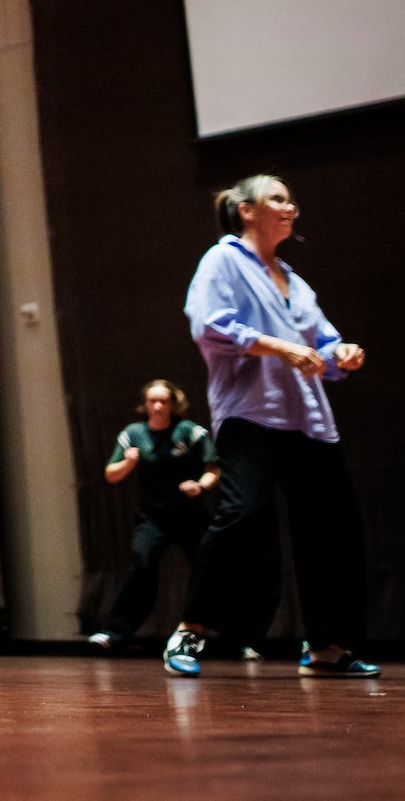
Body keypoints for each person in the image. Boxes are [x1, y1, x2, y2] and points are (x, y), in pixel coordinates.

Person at [163, 176, 376, 679]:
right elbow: (209, 324)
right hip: (250, 414)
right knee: (242, 514)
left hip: (308, 420)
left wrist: (341, 353)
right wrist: (281, 347)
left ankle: (326, 644)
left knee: (333, 529)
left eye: (291, 199)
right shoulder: (223, 261)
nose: (291, 207)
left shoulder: (296, 282)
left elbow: (323, 346)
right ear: (246, 211)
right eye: (277, 198)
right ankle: (193, 630)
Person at [86, 381, 219, 651]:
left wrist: (200, 486)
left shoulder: (190, 432)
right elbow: (111, 474)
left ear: (173, 404)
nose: (158, 406)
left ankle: (238, 638)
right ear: (145, 404)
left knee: (209, 570)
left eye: (164, 401)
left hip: (188, 514)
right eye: (153, 401)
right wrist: (129, 462)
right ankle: (115, 634)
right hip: (152, 517)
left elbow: (213, 469)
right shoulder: (134, 434)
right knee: (141, 567)